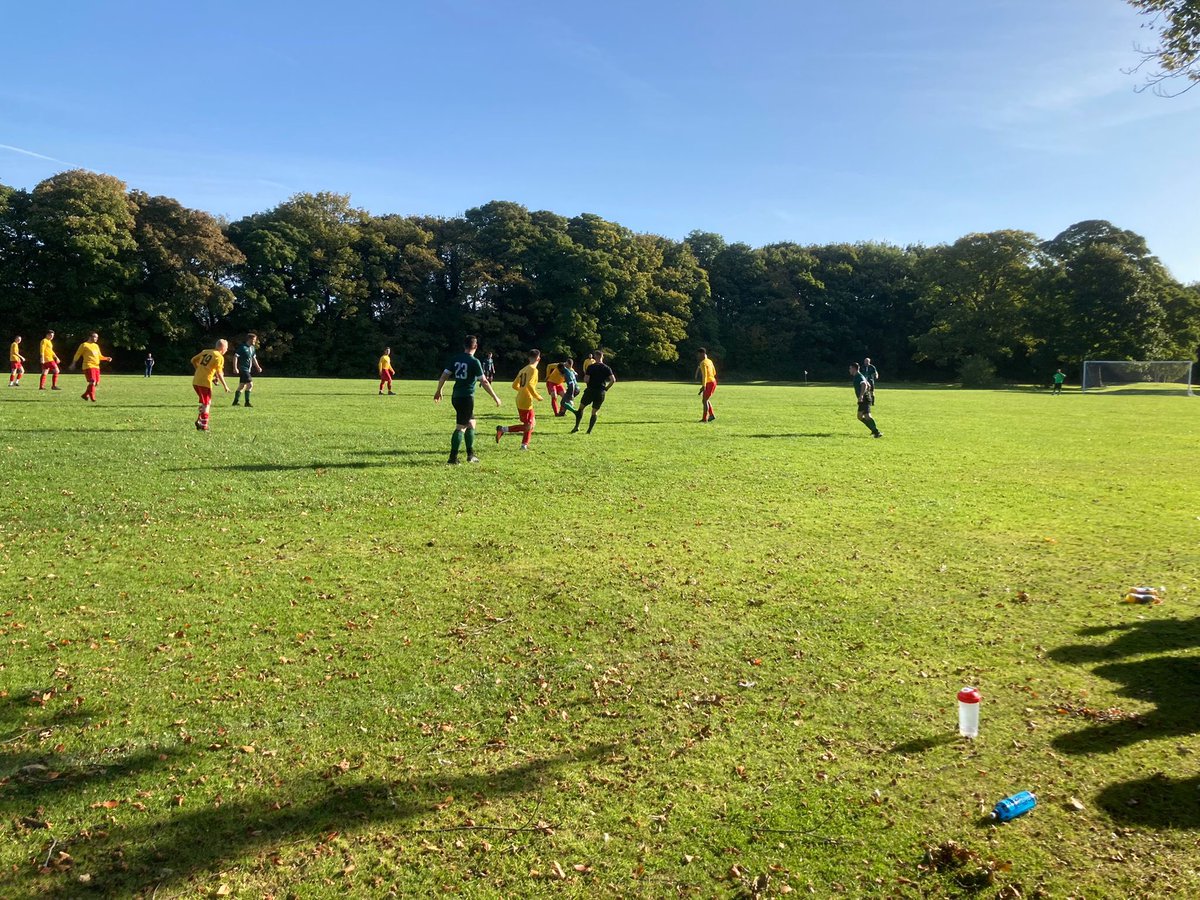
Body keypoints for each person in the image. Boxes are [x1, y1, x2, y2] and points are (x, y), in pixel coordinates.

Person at [434, 334, 502, 465]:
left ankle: (470, 455)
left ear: (464, 345)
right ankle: (452, 458)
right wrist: (495, 397)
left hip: (456, 396)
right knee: (461, 427)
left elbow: (444, 376)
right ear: (475, 346)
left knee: (472, 423)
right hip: (466, 397)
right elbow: (485, 381)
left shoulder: (455, 358)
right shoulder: (474, 361)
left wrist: (439, 391)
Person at [496, 349, 544, 451]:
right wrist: (537, 396)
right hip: (526, 401)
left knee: (532, 423)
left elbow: (514, 385)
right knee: (528, 426)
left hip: (520, 398)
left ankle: (524, 445)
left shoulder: (523, 369)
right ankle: (503, 429)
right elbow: (530, 385)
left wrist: (522, 390)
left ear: (528, 358)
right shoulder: (534, 370)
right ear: (538, 358)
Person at [572, 350, 615, 434]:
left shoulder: (591, 367)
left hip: (590, 390)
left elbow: (586, 380)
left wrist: (587, 380)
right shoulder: (607, 368)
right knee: (594, 412)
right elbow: (613, 380)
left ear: (595, 357)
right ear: (602, 357)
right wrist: (606, 388)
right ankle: (589, 431)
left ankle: (577, 426)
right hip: (600, 392)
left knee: (581, 408)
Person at [191, 339, 230, 430]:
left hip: (196, 381)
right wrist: (225, 386)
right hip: (205, 382)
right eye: (227, 348)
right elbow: (220, 373)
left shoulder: (206, 351)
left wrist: (199, 370)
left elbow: (193, 360)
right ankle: (204, 426)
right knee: (207, 403)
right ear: (223, 348)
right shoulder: (219, 357)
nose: (227, 350)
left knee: (204, 402)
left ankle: (199, 420)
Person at [71, 333, 112, 402]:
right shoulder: (84, 345)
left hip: (96, 366)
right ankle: (92, 397)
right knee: (92, 382)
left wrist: (106, 358)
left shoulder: (96, 346)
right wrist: (73, 363)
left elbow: (99, 356)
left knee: (96, 383)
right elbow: (77, 354)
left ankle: (85, 395)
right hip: (88, 365)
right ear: (90, 337)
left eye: (97, 337)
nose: (97, 339)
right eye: (95, 337)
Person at [850, 362, 882, 438]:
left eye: (850, 368)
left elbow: (864, 384)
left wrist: (861, 396)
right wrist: (868, 387)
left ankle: (876, 432)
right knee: (860, 416)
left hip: (864, 398)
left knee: (867, 416)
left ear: (854, 369)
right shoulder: (858, 376)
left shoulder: (858, 376)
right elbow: (868, 384)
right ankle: (874, 430)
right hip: (864, 398)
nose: (849, 370)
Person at [231, 333, 263, 407]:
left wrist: (258, 367)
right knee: (250, 384)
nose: (255, 341)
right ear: (250, 339)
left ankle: (235, 402)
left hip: (248, 370)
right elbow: (235, 356)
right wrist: (235, 367)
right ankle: (247, 402)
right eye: (254, 340)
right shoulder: (242, 347)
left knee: (242, 386)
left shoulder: (252, 348)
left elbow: (254, 358)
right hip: (243, 369)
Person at [695, 348, 717, 422]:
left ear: (702, 354)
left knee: (705, 400)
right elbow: (714, 372)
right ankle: (711, 415)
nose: (698, 356)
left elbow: (704, 375)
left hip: (709, 383)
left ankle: (705, 419)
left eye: (698, 354)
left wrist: (704, 386)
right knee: (705, 400)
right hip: (713, 381)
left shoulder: (703, 363)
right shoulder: (710, 361)